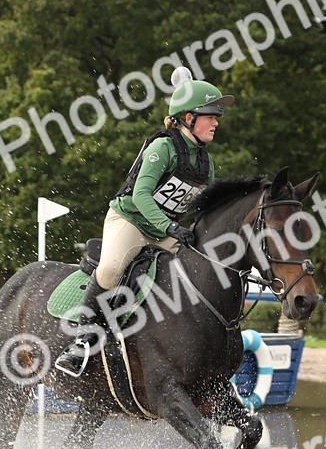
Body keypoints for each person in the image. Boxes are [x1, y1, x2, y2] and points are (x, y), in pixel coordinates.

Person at [55, 68, 234, 376]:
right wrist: (170, 229)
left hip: (167, 231)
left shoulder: (206, 162)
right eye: (210, 115)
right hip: (131, 222)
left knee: (199, 272)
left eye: (216, 116)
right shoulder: (163, 147)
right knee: (111, 268)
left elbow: (206, 208)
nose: (216, 122)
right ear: (188, 117)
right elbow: (141, 197)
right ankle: (83, 339)